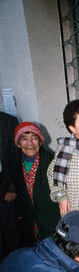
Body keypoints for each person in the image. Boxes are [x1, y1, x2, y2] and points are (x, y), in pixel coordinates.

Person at [13, 121, 60, 247]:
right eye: (24, 139)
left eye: (34, 138)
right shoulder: (14, 163)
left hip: (52, 222)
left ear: (40, 142)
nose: (30, 144)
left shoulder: (52, 161)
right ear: (18, 143)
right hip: (29, 224)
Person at [0, 111, 20, 260]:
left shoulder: (9, 121)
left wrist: (12, 187)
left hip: (4, 184)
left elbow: (16, 156)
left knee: (10, 232)